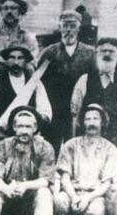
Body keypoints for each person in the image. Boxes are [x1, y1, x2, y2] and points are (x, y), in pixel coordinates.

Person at [54, 104, 117, 215]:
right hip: (72, 191)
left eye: (96, 119)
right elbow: (64, 176)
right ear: (82, 123)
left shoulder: (110, 149)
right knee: (59, 200)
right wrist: (74, 196)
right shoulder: (71, 145)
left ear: (102, 122)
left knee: (96, 210)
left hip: (95, 194)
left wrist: (88, 198)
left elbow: (106, 183)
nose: (91, 123)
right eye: (88, 119)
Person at [38, 10, 96, 154]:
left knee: (78, 145)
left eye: (73, 25)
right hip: (55, 107)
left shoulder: (90, 53)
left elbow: (95, 79)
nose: (69, 30)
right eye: (65, 25)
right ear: (60, 27)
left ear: (79, 28)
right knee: (52, 145)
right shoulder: (49, 52)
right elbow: (38, 79)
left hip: (80, 107)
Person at [0, 44, 52, 146]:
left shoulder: (35, 84)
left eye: (20, 58)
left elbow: (45, 110)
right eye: (12, 58)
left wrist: (35, 123)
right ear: (6, 61)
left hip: (28, 136)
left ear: (26, 61)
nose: (16, 62)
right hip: (2, 137)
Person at [71, 37, 117, 147]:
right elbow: (75, 113)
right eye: (103, 51)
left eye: (111, 51)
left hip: (114, 139)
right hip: (87, 138)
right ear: (96, 54)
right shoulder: (85, 79)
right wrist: (74, 142)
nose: (107, 54)